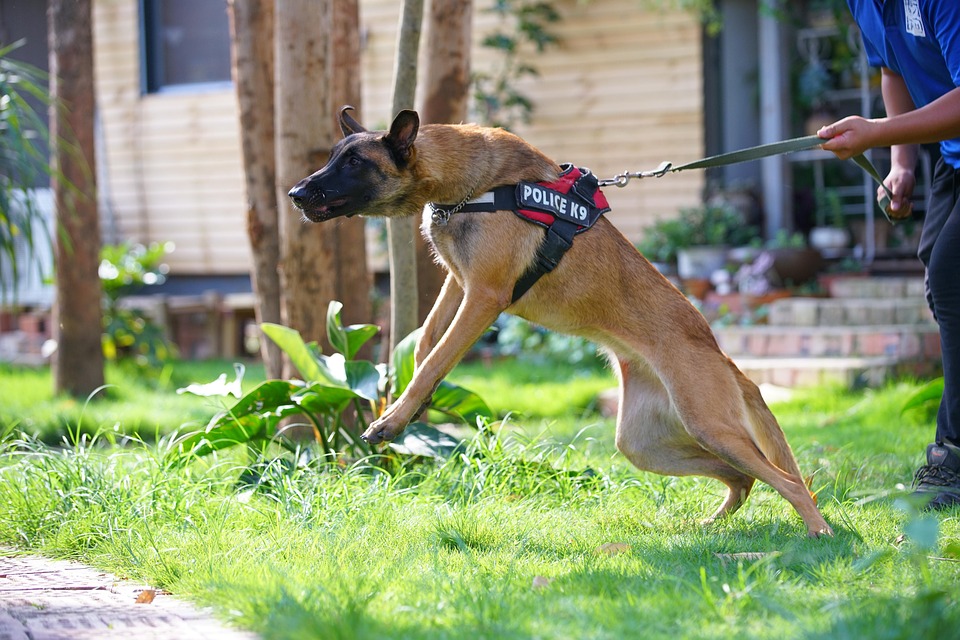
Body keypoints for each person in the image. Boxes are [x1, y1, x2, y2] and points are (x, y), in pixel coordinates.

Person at [818, 0, 960, 509]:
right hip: (951, 155)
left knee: (952, 280)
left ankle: (952, 459)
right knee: (943, 285)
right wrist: (899, 164)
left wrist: (877, 132)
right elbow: (893, 69)